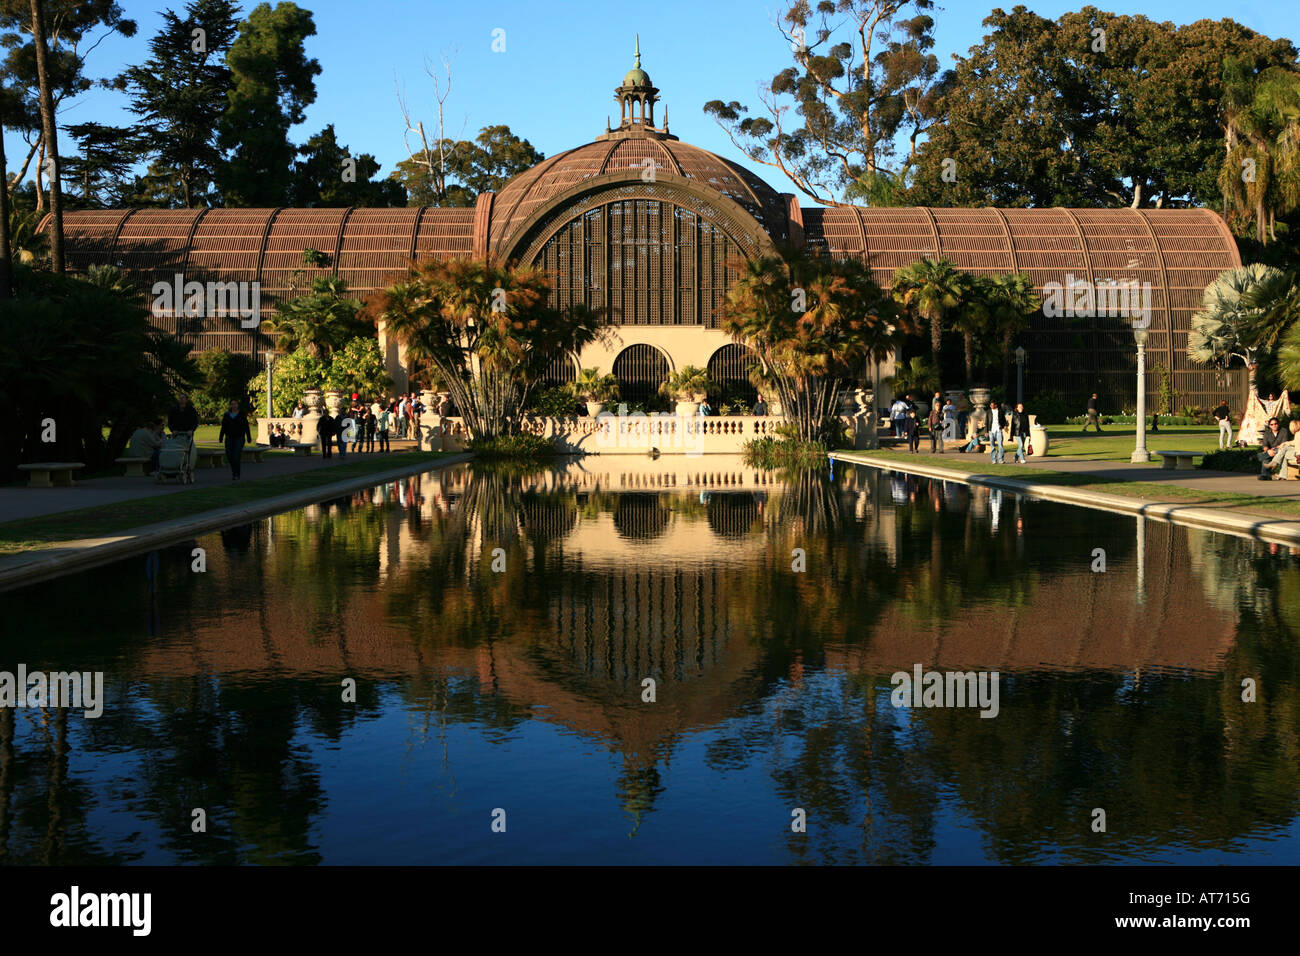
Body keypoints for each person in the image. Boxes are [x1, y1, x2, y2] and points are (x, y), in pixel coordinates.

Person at [218, 400, 252, 481]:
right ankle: (234, 471)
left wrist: (248, 437)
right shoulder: (227, 415)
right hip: (229, 437)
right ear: (230, 405)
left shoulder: (241, 415)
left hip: (239, 438)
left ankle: (236, 474)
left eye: (235, 404)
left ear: (237, 405)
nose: (233, 405)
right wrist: (221, 436)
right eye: (232, 404)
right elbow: (223, 426)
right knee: (229, 455)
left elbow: (246, 426)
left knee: (236, 455)